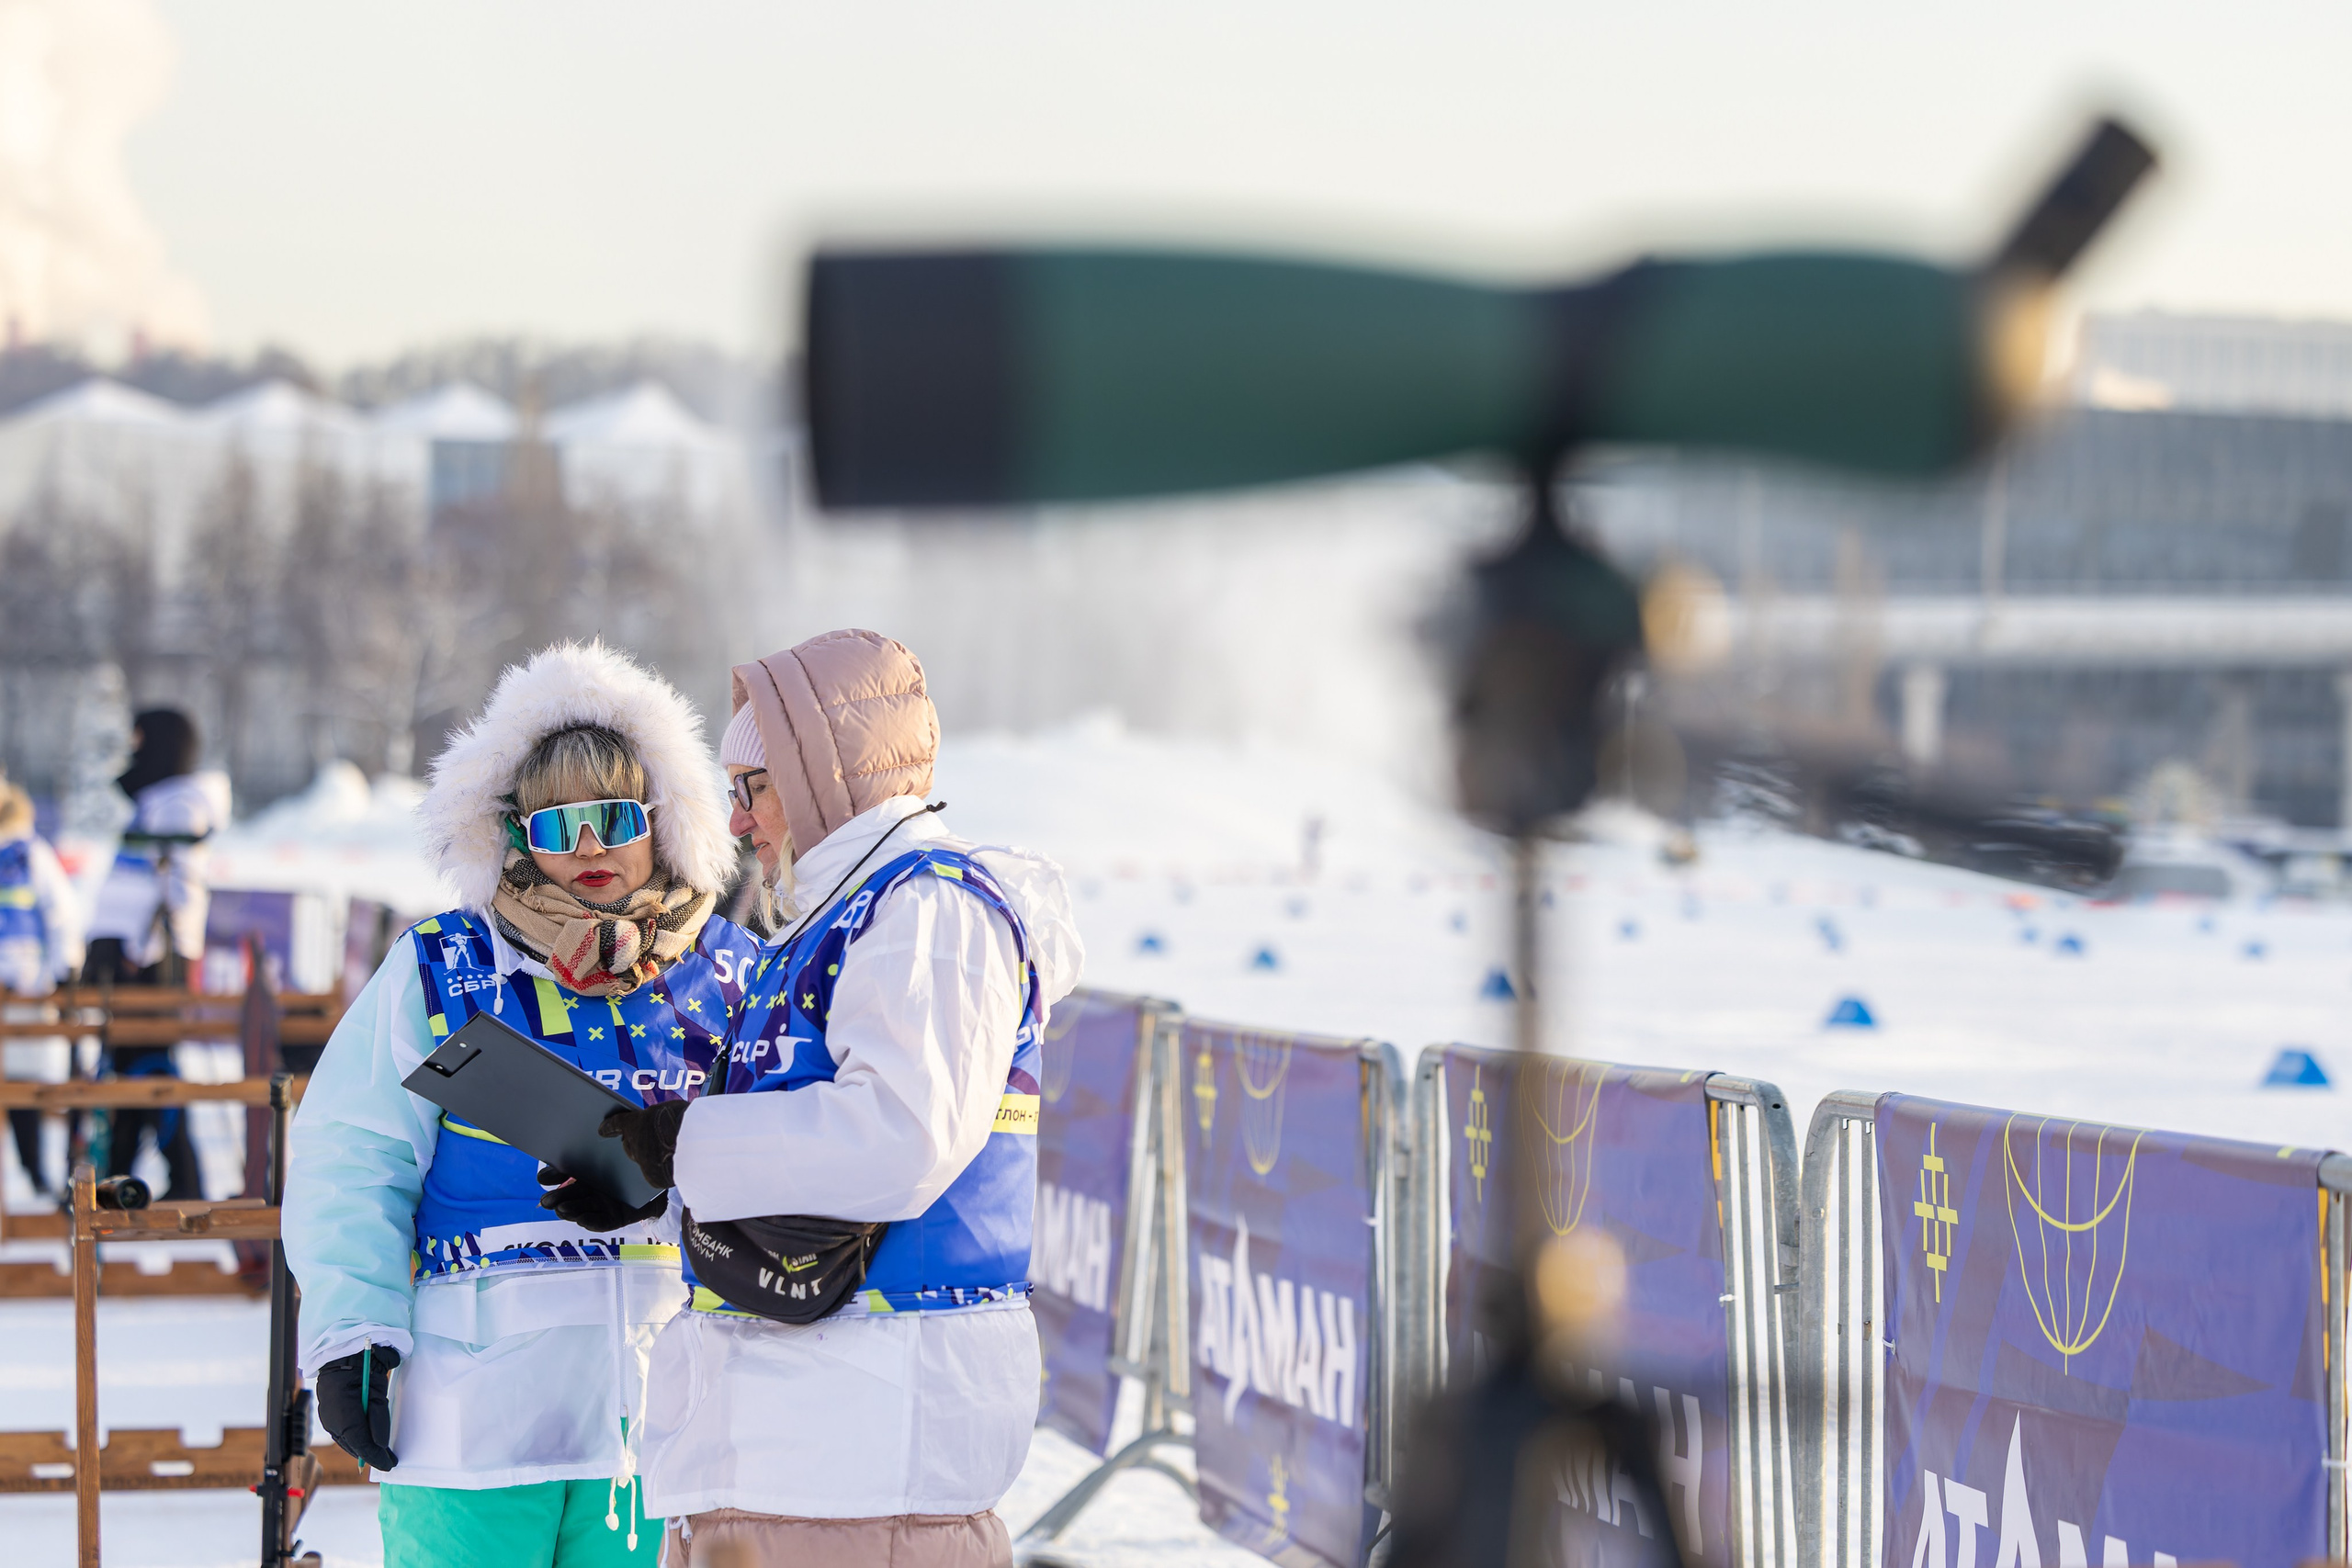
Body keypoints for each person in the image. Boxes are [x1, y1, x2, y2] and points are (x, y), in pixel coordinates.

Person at [281, 643, 757, 1568]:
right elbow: (354, 1156)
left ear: (662, 823)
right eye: (558, 822)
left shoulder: (729, 976)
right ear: (510, 833)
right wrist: (355, 1333)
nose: (588, 848)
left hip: (666, 1423)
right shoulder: (442, 966)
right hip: (471, 1420)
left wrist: (667, 1183)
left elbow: (787, 1160)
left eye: (614, 817)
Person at [615, 629, 1083, 1568]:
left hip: (865, 1455)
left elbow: (898, 1140)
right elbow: (793, 1155)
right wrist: (648, 1182)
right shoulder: (843, 917)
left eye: (752, 789)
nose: (740, 825)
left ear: (822, 771)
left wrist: (682, 1147)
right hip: (794, 1455)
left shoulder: (928, 911)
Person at [83, 708, 230, 1199]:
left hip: (144, 964)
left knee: (147, 1068)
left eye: (140, 738)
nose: (133, 747)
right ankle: (119, 1176)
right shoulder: (159, 802)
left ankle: (183, 1179)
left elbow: (180, 888)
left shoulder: (177, 805)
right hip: (133, 959)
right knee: (128, 1066)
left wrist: (142, 949)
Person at [0, 775, 86, 1199]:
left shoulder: (28, 852)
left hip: (25, 991)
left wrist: (62, 971)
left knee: (23, 1081)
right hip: (21, 989)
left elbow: (61, 914)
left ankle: (34, 1172)